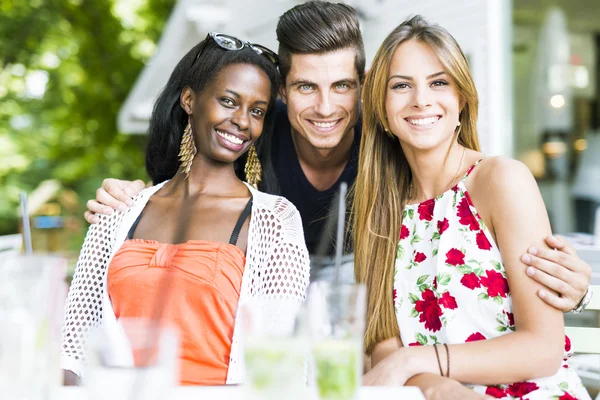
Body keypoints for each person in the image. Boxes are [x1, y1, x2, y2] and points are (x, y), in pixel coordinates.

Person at [82, 1, 593, 319]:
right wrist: (130, 199)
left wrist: (572, 285)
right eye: (306, 87)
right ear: (282, 89)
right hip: (263, 294)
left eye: (342, 87)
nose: (325, 109)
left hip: (373, 293)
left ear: (364, 86)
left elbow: (466, 214)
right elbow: (185, 200)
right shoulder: (253, 129)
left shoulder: (394, 135)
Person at [354, 15, 591, 400]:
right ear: (381, 109)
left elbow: (544, 349)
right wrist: (439, 388)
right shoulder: (379, 212)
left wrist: (413, 363)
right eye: (401, 86)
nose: (421, 99)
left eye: (438, 82)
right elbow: (385, 345)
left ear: (461, 99)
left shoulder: (501, 180)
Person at [60, 32, 310, 386]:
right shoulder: (121, 211)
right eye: (228, 101)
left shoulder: (274, 221)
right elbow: (73, 355)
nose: (242, 121)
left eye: (256, 111)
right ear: (190, 99)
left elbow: (278, 366)